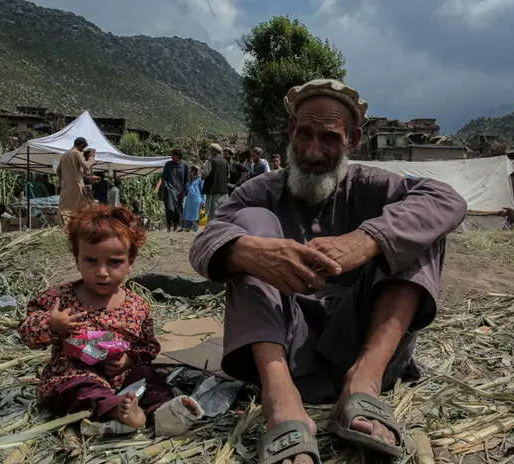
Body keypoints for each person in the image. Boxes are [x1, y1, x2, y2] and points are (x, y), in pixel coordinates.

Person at [188, 79, 467, 463]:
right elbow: (204, 243)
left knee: (422, 226)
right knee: (247, 227)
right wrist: (252, 252)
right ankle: (280, 401)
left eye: (329, 138)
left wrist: (368, 238)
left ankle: (361, 387)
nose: (313, 152)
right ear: (290, 131)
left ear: (352, 140)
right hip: (284, 351)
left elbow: (447, 199)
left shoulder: (372, 185)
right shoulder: (260, 190)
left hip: (366, 350)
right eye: (304, 133)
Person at [18, 206, 202, 434]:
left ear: (130, 262)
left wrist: (128, 361)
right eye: (90, 260)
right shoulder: (59, 299)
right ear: (77, 260)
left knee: (149, 377)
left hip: (123, 378)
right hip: (74, 374)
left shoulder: (137, 306)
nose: (102, 272)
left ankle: (162, 412)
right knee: (80, 390)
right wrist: (51, 324)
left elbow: (148, 347)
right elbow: (26, 333)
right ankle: (115, 412)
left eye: (114, 262)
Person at [56, 137, 93, 226]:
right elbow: (86, 166)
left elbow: (58, 171)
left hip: (66, 187)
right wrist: (91, 157)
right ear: (81, 145)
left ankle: (65, 227)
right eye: (83, 147)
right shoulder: (77, 153)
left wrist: (65, 179)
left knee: (66, 208)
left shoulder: (64, 155)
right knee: (82, 208)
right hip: (76, 185)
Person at [160, 148, 188, 231]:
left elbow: (187, 180)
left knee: (178, 209)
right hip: (169, 190)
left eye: (173, 155)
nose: (171, 157)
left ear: (178, 156)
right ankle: (169, 226)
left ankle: (176, 226)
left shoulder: (184, 166)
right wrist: (166, 187)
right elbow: (163, 177)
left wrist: (185, 191)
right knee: (169, 209)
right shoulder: (168, 164)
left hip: (179, 192)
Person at [201, 143, 230, 220]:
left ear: (213, 151)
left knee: (212, 214)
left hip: (213, 192)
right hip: (224, 192)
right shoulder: (225, 162)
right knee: (222, 213)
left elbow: (204, 175)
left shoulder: (210, 161)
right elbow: (228, 176)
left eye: (210, 150)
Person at [183, 166, 205, 232]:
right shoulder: (189, 182)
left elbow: (203, 191)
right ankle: (187, 229)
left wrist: (204, 201)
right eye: (192, 171)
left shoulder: (200, 180)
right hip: (189, 201)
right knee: (187, 215)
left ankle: (195, 229)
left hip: (197, 201)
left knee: (195, 216)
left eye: (194, 171)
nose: (192, 173)